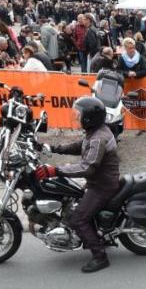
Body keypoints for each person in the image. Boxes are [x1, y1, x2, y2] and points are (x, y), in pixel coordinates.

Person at [38, 97, 119, 273]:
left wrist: (55, 170)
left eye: (79, 115)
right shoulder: (95, 132)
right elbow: (80, 146)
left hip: (102, 185)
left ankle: (100, 257)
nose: (76, 117)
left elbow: (88, 167)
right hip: (98, 181)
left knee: (79, 219)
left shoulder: (98, 138)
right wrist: (52, 148)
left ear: (89, 118)